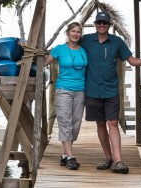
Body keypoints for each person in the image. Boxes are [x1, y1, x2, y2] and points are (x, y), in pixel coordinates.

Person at [80, 11, 141, 174]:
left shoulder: (117, 42)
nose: (101, 25)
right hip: (92, 90)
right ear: (95, 24)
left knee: (112, 122)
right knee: (100, 124)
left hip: (111, 89)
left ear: (109, 25)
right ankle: (108, 158)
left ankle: (119, 161)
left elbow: (132, 60)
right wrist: (50, 53)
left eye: (104, 23)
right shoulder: (86, 40)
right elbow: (70, 45)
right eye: (99, 23)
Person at [44, 22, 87, 170]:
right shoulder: (59, 49)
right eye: (73, 31)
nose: (75, 34)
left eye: (78, 32)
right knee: (65, 121)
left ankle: (64, 154)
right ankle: (70, 157)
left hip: (80, 90)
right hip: (64, 90)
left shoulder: (83, 50)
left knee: (76, 124)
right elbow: (44, 63)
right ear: (67, 33)